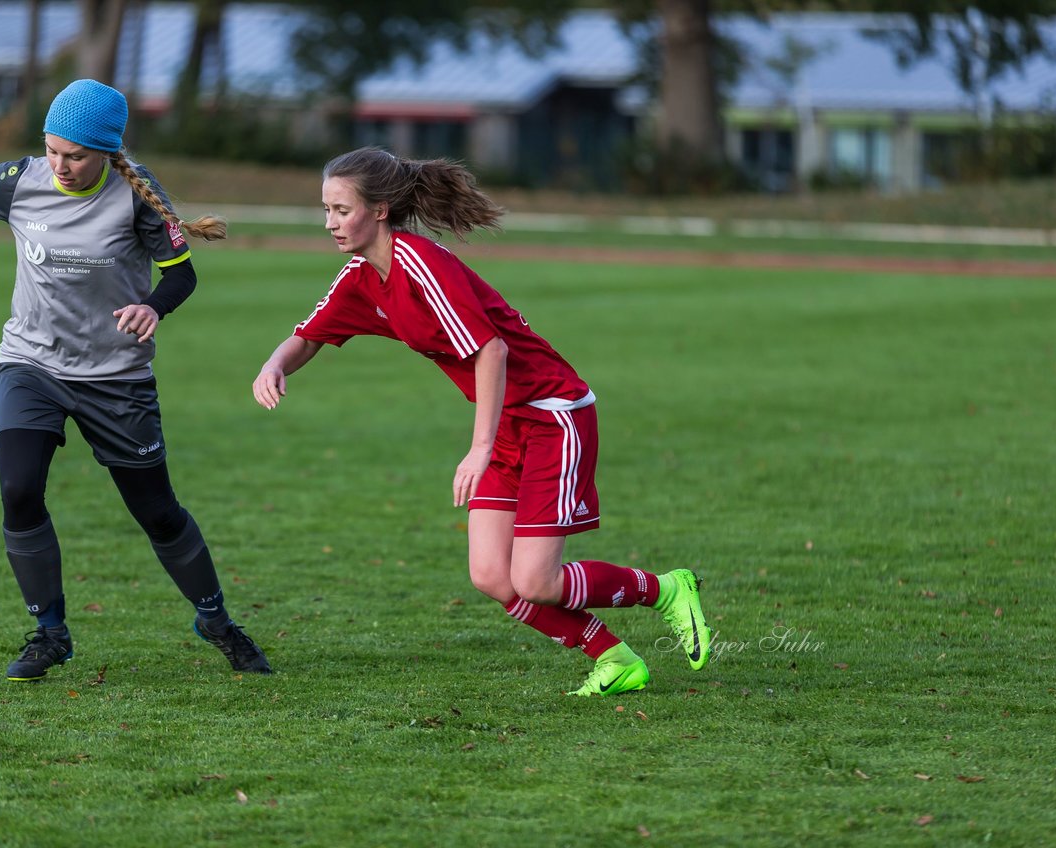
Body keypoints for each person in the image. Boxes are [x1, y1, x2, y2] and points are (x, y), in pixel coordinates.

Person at [252, 147, 712, 696]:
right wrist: (275, 364)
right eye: (325, 210)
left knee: (536, 581)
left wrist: (479, 447)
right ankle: (614, 658)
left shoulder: (420, 263)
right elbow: (309, 334)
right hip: (508, 424)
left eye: (341, 210)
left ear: (378, 210)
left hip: (553, 416)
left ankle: (664, 590)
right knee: (492, 576)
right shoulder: (360, 277)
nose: (330, 223)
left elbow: (491, 350)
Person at [0, 79, 270, 682]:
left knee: (158, 513)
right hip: (30, 364)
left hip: (115, 378)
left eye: (76, 155)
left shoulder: (135, 197)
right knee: (18, 490)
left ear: (107, 153)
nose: (61, 166)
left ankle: (216, 620)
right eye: (53, 151)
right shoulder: (20, 179)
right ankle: (49, 633)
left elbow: (181, 277)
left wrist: (153, 308)